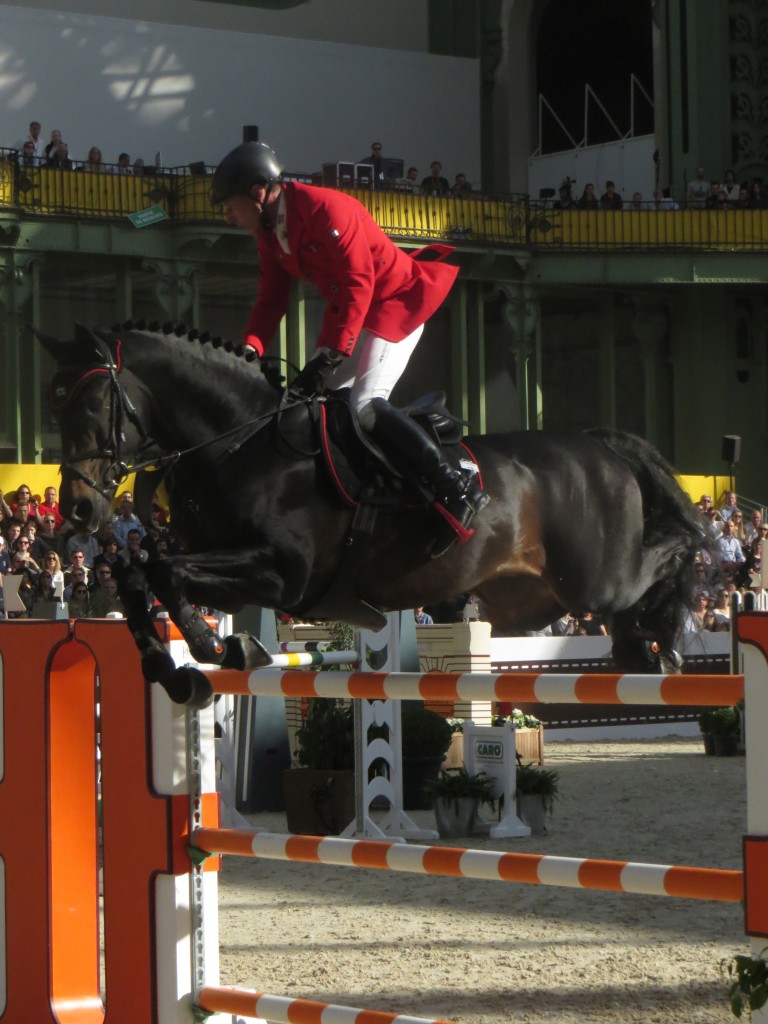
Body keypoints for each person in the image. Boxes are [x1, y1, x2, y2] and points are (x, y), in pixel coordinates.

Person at [210, 141, 489, 553]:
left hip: (398, 303)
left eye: (229, 206)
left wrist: (330, 354)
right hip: (359, 315)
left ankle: (454, 487)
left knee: (364, 404)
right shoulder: (271, 236)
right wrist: (249, 349)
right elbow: (270, 300)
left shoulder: (325, 210)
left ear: (257, 192)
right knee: (307, 405)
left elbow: (359, 284)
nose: (229, 217)